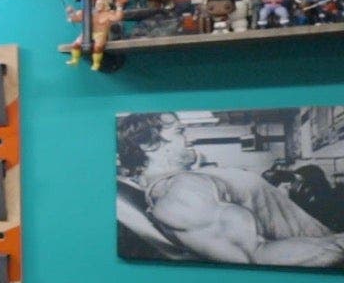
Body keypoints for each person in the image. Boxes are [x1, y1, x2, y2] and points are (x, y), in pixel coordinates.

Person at [118, 113, 344, 267]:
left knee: (312, 172)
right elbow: (255, 256)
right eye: (179, 131)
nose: (189, 139)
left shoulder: (186, 181)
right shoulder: (181, 195)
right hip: (326, 245)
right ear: (148, 145)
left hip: (319, 230)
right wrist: (337, 245)